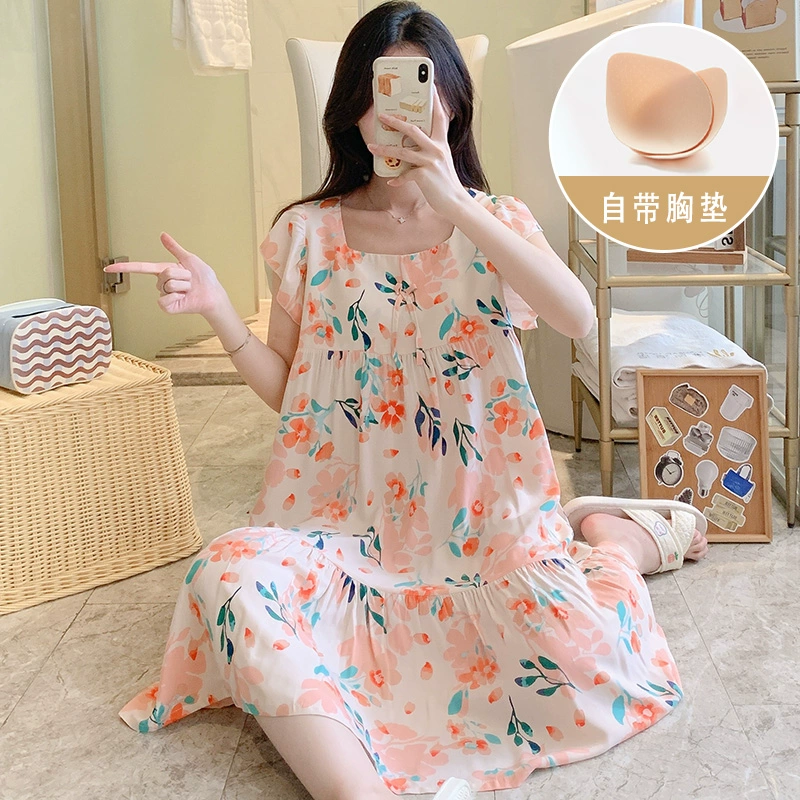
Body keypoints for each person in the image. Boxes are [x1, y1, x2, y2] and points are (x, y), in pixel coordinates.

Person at [112, 3, 709, 798]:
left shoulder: (496, 222)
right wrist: (222, 312)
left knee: (585, 656)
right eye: (376, 94)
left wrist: (455, 203)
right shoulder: (307, 232)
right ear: (350, 110)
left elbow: (577, 319)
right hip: (339, 532)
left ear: (453, 105)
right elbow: (295, 397)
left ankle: (617, 544)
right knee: (228, 576)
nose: (396, 115)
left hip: (483, 527)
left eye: (419, 91)